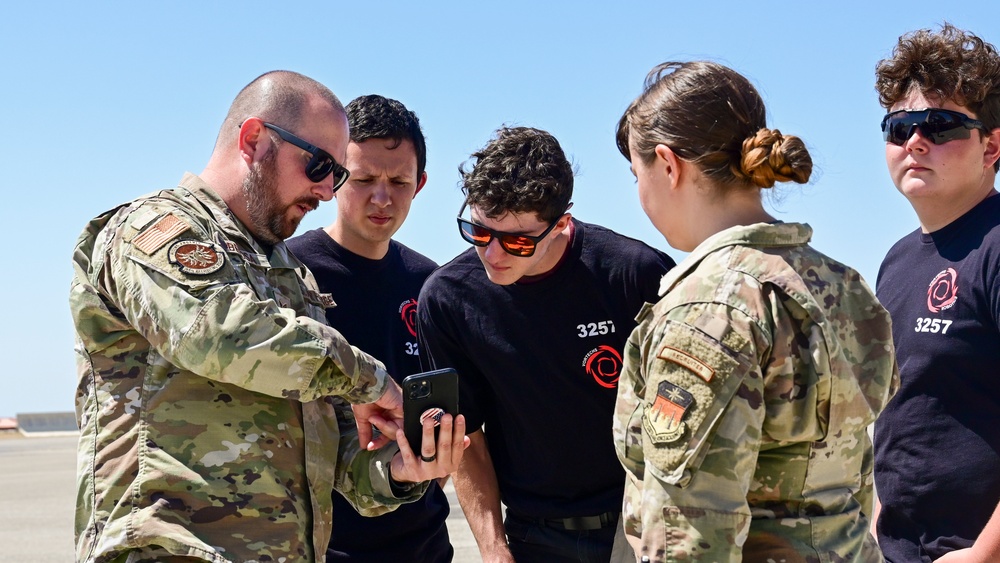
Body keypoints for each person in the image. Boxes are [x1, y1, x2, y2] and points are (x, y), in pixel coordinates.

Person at [69, 71, 467, 563]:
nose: (326, 191)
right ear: (254, 140)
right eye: (320, 165)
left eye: (336, 175)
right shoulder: (155, 228)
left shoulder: (288, 275)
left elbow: (331, 445)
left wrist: (398, 470)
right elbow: (216, 334)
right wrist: (372, 381)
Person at [613, 60, 898, 562]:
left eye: (637, 174)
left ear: (668, 165)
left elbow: (688, 535)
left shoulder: (709, 307)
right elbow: (854, 478)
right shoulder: (841, 284)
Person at [417, 126, 675, 563]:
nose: (493, 255)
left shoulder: (636, 275)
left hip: (641, 525)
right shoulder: (447, 299)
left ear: (562, 223)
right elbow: (468, 439)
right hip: (533, 535)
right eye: (478, 232)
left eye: (517, 241)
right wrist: (494, 549)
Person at [286, 94, 453, 562]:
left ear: (419, 184)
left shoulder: (431, 284)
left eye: (399, 181)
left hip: (423, 544)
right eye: (363, 179)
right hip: (324, 546)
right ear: (335, 176)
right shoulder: (290, 275)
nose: (383, 198)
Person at [872, 24, 1000, 562]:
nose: (915, 141)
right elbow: (900, 409)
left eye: (942, 126)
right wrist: (878, 523)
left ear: (992, 145)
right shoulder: (896, 261)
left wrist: (983, 554)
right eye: (899, 127)